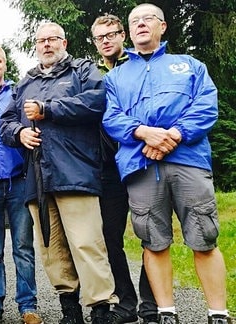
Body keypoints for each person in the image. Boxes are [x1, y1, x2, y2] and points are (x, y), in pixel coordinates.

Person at [102, 4, 232, 324]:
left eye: (147, 19)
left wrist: (173, 135)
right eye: (134, 22)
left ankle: (217, 312)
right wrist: (143, 132)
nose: (140, 24)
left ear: (162, 27)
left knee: (204, 237)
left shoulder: (189, 66)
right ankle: (165, 312)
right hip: (141, 165)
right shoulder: (116, 76)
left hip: (188, 160)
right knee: (153, 241)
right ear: (129, 33)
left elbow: (205, 106)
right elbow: (110, 116)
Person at [0, 21, 118, 324]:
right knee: (52, 250)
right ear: (36, 46)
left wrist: (48, 108)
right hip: (38, 177)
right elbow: (6, 121)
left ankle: (101, 309)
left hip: (76, 171)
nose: (47, 45)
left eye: (53, 39)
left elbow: (96, 102)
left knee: (87, 243)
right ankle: (70, 311)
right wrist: (18, 135)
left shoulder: (82, 71)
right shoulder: (26, 82)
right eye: (41, 41)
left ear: (64, 43)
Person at [91, 14, 158, 324]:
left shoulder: (139, 66)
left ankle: (151, 303)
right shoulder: (91, 74)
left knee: (151, 233)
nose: (106, 40)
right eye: (99, 37)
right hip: (107, 167)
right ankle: (126, 302)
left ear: (123, 36)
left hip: (141, 159)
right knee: (109, 236)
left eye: (112, 34)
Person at [0, 44, 41, 324]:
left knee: (23, 246)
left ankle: (28, 306)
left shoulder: (19, 93)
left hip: (18, 182)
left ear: (4, 65)